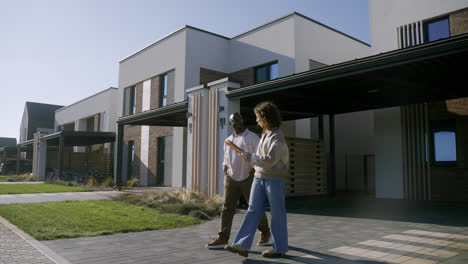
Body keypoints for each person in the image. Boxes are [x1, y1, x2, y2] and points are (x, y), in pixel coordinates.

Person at [225, 101, 289, 258]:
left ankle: (279, 248)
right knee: (253, 210)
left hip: (274, 179)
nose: (256, 120)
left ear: (266, 118)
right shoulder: (266, 134)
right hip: (259, 177)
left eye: (258, 117)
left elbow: (269, 160)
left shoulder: (277, 137)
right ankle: (241, 245)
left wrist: (248, 156)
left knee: (277, 213)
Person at [206, 112, 271, 249]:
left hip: (248, 177)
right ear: (231, 124)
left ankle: (265, 232)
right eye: (235, 121)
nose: (238, 122)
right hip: (231, 178)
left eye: (240, 119)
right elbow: (226, 157)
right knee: (227, 208)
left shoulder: (252, 137)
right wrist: (225, 166)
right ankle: (222, 238)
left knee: (254, 207)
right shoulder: (228, 140)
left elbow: (259, 156)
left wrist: (253, 171)